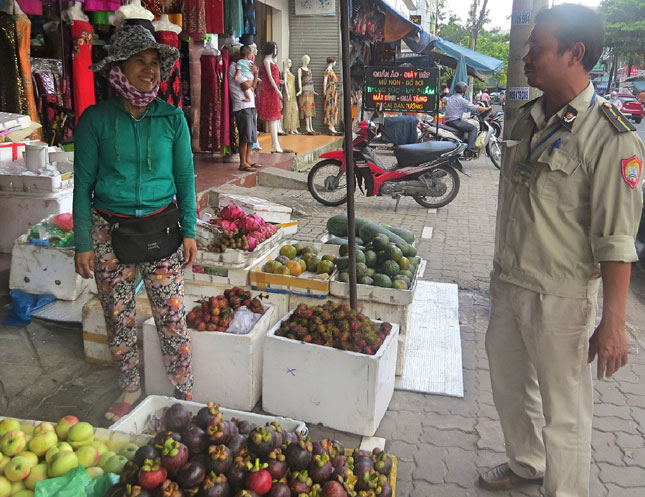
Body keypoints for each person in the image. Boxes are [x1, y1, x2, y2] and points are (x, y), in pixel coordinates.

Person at [480, 5, 644, 497]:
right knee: (511, 389)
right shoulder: (532, 119)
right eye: (529, 48)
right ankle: (527, 464)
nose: (527, 58)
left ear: (576, 53)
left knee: (566, 412)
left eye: (539, 49)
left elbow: (616, 240)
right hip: (510, 281)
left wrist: (613, 321)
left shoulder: (612, 137)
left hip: (561, 297)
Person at [73, 25, 198, 422]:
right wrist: (82, 241)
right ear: (119, 68)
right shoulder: (95, 120)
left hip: (162, 228)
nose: (150, 70)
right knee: (118, 313)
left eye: (155, 63)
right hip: (109, 231)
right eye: (140, 61)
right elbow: (83, 185)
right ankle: (129, 385)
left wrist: (190, 230)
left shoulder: (172, 118)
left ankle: (184, 387)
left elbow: (185, 177)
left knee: (172, 313)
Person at [228, 44, 260, 171]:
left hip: (250, 104)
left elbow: (253, 86)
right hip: (242, 105)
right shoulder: (234, 68)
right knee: (245, 134)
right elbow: (246, 85)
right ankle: (243, 162)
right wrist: (254, 78)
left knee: (251, 135)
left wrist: (256, 73)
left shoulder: (245, 68)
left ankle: (248, 159)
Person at [444, 81, 490, 152]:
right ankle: (470, 148)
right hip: (455, 121)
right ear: (464, 90)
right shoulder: (461, 100)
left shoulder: (450, 98)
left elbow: (444, 100)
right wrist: (487, 109)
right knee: (473, 128)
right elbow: (474, 107)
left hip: (447, 121)